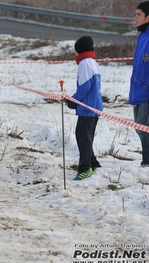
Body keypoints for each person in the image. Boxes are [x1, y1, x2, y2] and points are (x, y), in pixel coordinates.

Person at [66, 36, 103, 180]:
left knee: (83, 137)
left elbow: (84, 87)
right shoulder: (92, 62)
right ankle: (93, 162)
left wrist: (73, 101)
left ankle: (85, 168)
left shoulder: (85, 64)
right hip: (93, 106)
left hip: (88, 107)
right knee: (83, 136)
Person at [130, 1, 149, 168]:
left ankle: (147, 161)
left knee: (144, 128)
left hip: (147, 90)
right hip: (138, 89)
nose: (135, 18)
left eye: (138, 15)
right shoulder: (142, 35)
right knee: (139, 127)